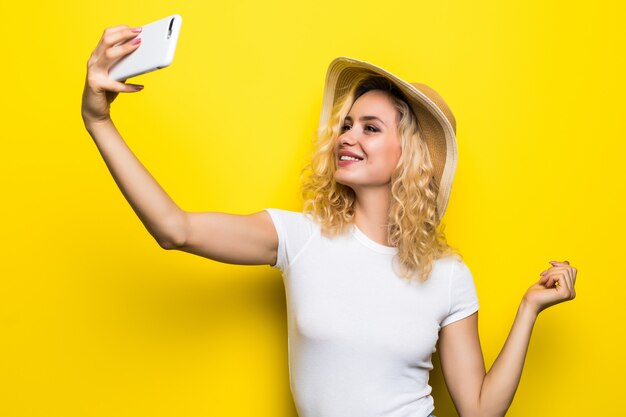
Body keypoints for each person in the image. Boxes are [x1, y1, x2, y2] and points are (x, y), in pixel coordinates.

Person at [81, 24, 578, 417]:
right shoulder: (300, 237)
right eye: (345, 124)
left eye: (370, 127)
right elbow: (176, 229)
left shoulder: (448, 276)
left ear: (411, 154)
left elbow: (479, 409)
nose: (347, 136)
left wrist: (530, 308)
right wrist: (99, 121)